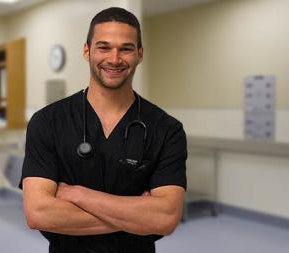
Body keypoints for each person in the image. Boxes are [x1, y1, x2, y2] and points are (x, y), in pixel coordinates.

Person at [20, 7, 187, 253]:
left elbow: (165, 218)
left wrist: (79, 195)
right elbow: (38, 213)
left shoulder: (166, 129)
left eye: (126, 48)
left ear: (140, 54)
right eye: (104, 47)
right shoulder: (48, 122)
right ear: (87, 51)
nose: (114, 59)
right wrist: (137, 215)